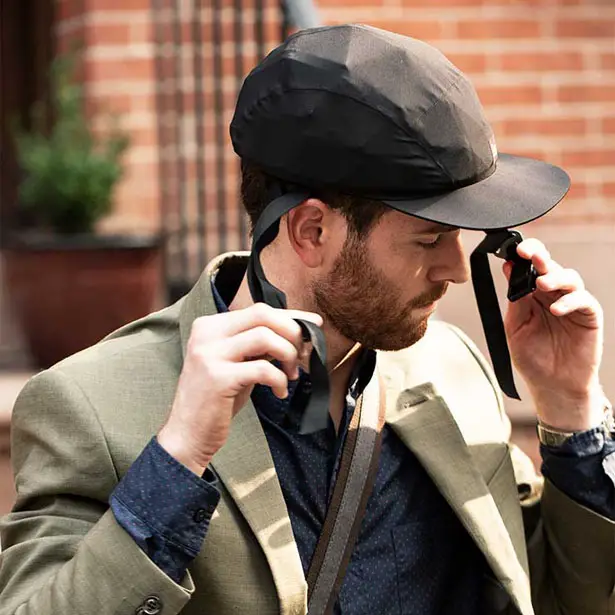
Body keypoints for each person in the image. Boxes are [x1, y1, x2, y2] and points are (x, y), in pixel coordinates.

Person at [0, 24, 613, 615]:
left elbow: (565, 596)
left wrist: (570, 407)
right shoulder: (89, 405)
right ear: (312, 231)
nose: (457, 269)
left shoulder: (454, 367)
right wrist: (179, 457)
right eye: (430, 241)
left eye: (464, 237)